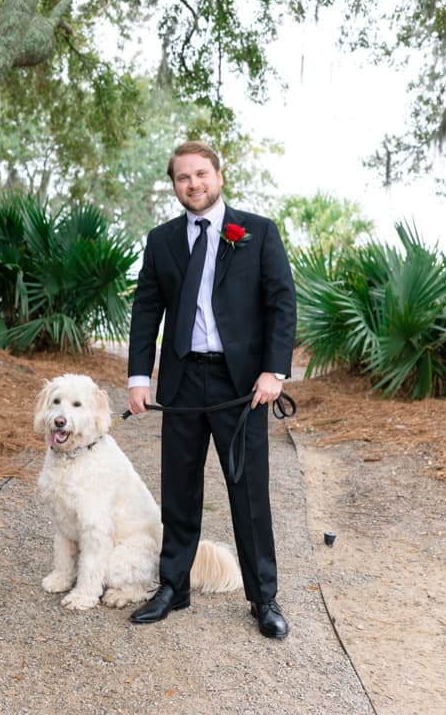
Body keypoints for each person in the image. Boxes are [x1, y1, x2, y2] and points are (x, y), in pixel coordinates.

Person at [125, 140, 296, 639]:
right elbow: (146, 311)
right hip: (181, 380)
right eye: (183, 177)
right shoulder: (161, 242)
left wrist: (274, 371)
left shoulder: (257, 233)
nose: (193, 184)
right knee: (178, 489)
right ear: (174, 184)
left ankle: (263, 598)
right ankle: (172, 588)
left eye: (201, 174)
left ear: (218, 176)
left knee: (248, 492)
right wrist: (140, 377)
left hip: (241, 386)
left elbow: (281, 304)